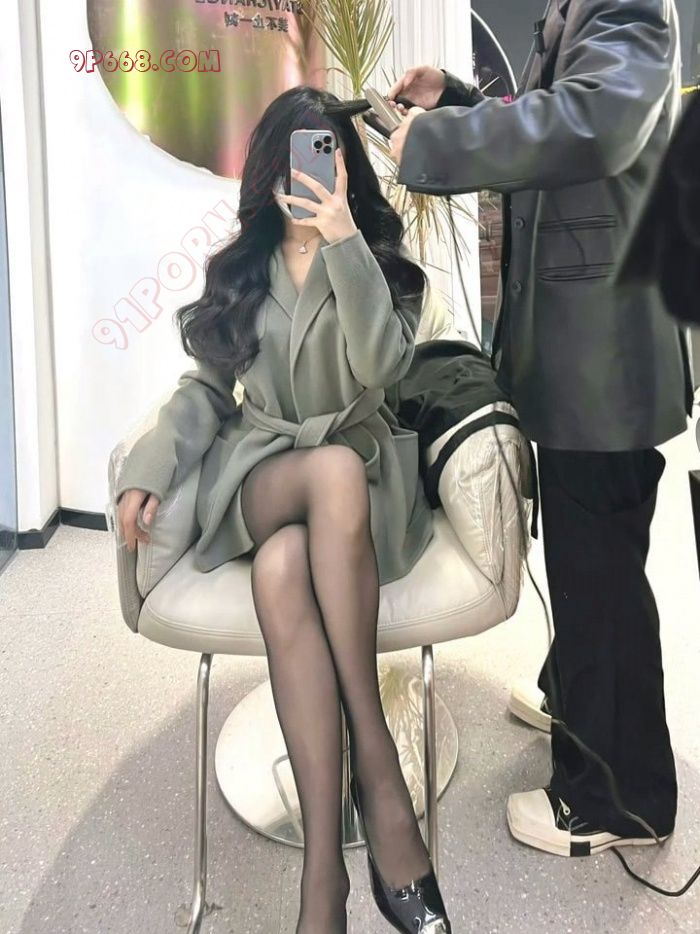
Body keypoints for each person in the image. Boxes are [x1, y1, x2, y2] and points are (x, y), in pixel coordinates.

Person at [115, 87, 452, 934]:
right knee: (324, 474)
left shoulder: (379, 260)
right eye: (292, 163)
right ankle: (379, 771)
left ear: (345, 170)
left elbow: (382, 370)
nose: (307, 179)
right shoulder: (241, 270)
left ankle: (321, 884)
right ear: (268, 174)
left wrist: (344, 240)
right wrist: (152, 465)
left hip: (361, 488)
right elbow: (205, 389)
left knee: (284, 564)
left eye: (324, 160)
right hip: (265, 473)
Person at [388, 0, 693, 859]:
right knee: (587, 551)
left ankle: (620, 799)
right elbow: (548, 115)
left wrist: (441, 142)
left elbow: (592, 124)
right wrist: (455, 99)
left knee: (600, 571)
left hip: (605, 351)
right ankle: (576, 695)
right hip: (583, 344)